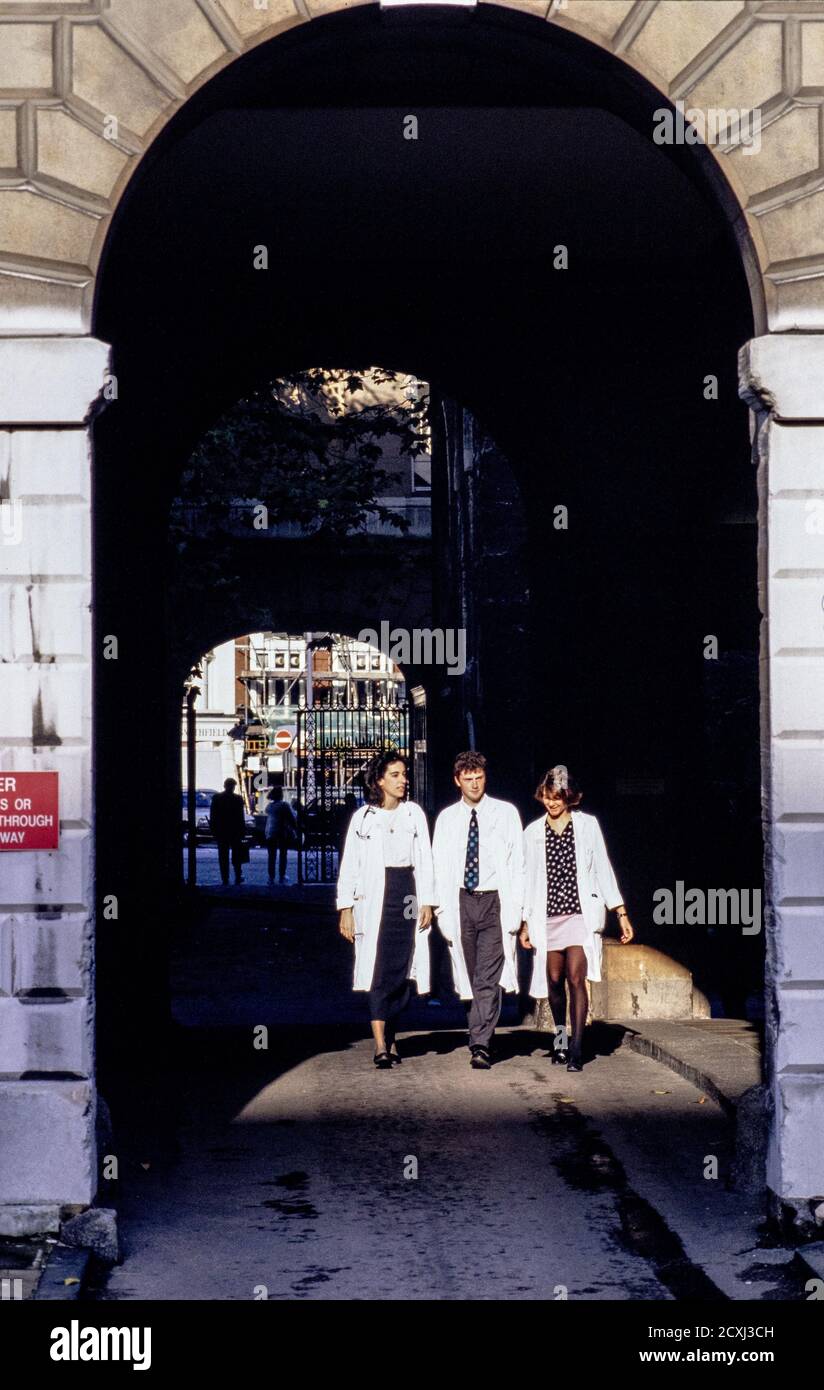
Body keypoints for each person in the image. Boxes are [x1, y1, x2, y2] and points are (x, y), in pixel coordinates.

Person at [519, 765, 634, 1072]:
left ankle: (577, 1048)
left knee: (575, 977)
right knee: (554, 980)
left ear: (569, 797)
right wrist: (525, 923)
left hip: (580, 914)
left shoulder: (587, 826)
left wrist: (619, 911)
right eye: (547, 796)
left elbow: (602, 868)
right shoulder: (532, 833)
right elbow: (526, 878)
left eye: (558, 797)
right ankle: (559, 1039)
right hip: (547, 916)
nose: (552, 803)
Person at [337, 751, 436, 1069]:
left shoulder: (414, 814)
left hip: (405, 893)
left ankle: (391, 1036)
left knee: (401, 966)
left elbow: (425, 860)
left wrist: (427, 901)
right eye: (395, 774)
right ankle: (380, 1044)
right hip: (374, 899)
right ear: (379, 780)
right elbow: (350, 864)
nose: (403, 780)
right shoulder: (363, 818)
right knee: (378, 967)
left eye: (404, 774)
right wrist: (346, 908)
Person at [432, 751, 524, 1070]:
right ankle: (478, 1028)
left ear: (486, 777)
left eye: (479, 777)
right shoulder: (446, 819)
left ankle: (481, 1044)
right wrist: (439, 909)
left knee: (488, 974)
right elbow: (437, 866)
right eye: (468, 778)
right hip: (460, 901)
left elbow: (518, 864)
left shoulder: (506, 813)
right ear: (457, 781)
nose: (474, 784)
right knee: (470, 976)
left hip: (495, 901)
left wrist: (519, 911)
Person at [209, 777, 247, 886]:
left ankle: (225, 878)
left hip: (221, 831)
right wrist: (243, 831)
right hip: (235, 831)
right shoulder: (238, 799)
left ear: (224, 786)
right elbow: (240, 817)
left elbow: (213, 815)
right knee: (237, 856)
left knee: (223, 856)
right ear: (233, 787)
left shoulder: (216, 798)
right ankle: (238, 876)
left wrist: (213, 830)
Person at [264, 787, 297, 885]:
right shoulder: (284, 805)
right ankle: (282, 876)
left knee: (271, 856)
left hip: (270, 832)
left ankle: (271, 877)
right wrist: (296, 828)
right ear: (281, 795)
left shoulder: (269, 806)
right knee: (283, 855)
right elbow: (292, 818)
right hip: (281, 832)